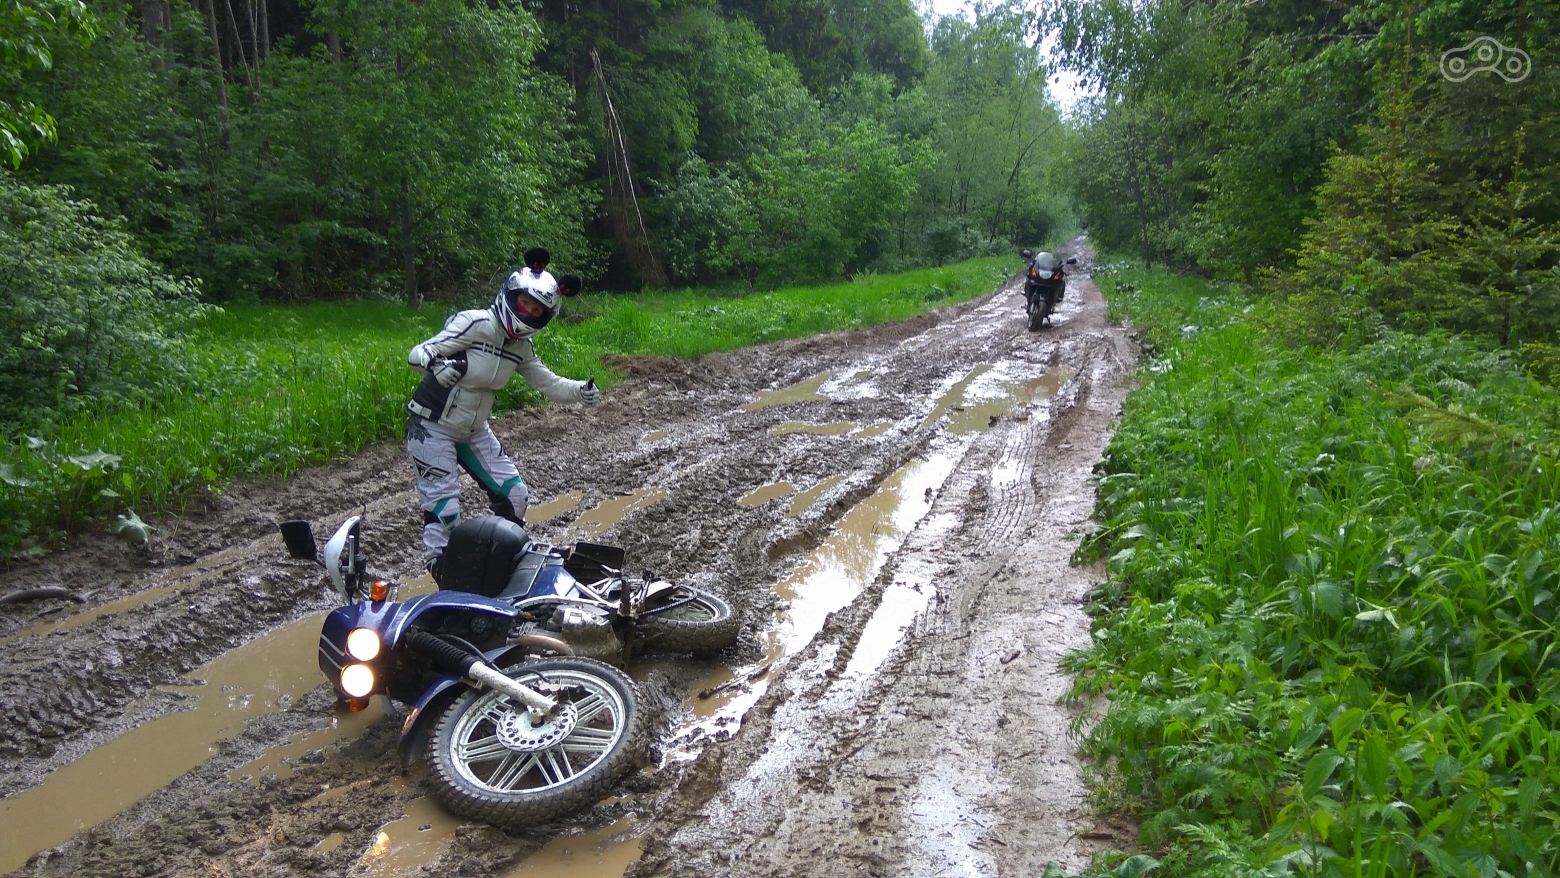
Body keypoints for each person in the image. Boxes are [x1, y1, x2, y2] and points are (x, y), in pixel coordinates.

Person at [404, 247, 598, 581]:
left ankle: (496, 565)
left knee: (515, 496)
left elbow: (548, 383)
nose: (529, 312)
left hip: (474, 429)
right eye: (525, 303)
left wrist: (580, 390)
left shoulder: (520, 347)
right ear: (511, 295)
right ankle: (443, 574)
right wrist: (436, 365)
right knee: (445, 509)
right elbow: (419, 352)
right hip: (432, 424)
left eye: (537, 310)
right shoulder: (475, 323)